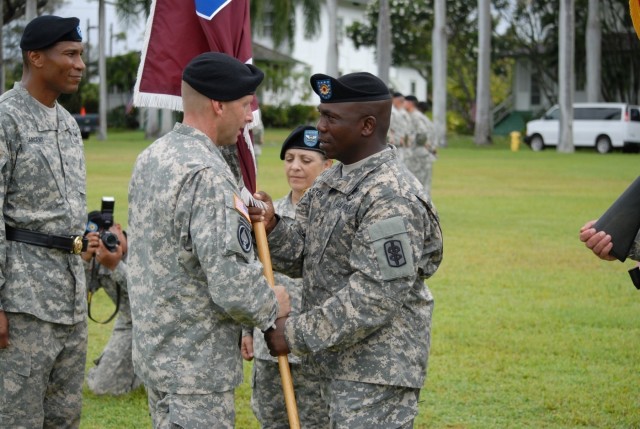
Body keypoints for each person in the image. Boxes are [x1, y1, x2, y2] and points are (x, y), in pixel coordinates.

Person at [251, 72, 444, 428]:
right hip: (335, 361)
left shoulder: (391, 195)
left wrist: (293, 334)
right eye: (321, 114)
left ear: (367, 126)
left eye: (331, 118)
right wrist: (274, 225)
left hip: (375, 373)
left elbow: (374, 296)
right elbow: (302, 254)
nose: (320, 127)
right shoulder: (332, 179)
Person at [127, 52, 290, 429]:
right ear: (218, 105)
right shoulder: (209, 175)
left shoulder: (153, 156)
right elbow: (232, 286)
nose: (251, 116)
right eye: (246, 104)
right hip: (195, 366)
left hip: (159, 351)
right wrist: (273, 301)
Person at [0, 15, 88, 428]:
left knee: (64, 417)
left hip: (69, 298)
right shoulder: (6, 118)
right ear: (35, 57)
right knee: (17, 418)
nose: (79, 64)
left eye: (81, 55)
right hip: (23, 301)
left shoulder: (68, 124)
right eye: (69, 54)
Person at [241, 125, 332, 428]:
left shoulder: (334, 218)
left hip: (315, 344)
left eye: (306, 160)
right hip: (271, 339)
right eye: (290, 158)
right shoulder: (265, 216)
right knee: (272, 418)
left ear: (328, 165)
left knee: (318, 421)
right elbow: (249, 271)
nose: (295, 167)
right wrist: (246, 329)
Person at [82, 213, 141, 395]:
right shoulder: (100, 258)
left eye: (110, 236)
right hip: (129, 325)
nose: (108, 243)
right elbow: (78, 296)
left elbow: (146, 296)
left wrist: (116, 266)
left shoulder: (144, 244)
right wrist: (84, 261)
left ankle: (143, 373)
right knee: (103, 387)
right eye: (100, 241)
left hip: (164, 324)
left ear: (118, 226)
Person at [404, 95, 437, 197]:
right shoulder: (420, 116)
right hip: (424, 153)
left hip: (418, 154)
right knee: (423, 184)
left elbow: (422, 133)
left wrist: (411, 142)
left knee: (417, 184)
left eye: (404, 102)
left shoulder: (415, 116)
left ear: (409, 103)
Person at [388, 92, 410, 163]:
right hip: (392, 144)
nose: (402, 102)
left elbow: (404, 128)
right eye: (400, 100)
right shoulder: (391, 111)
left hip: (399, 144)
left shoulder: (400, 112)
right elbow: (390, 127)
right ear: (394, 100)